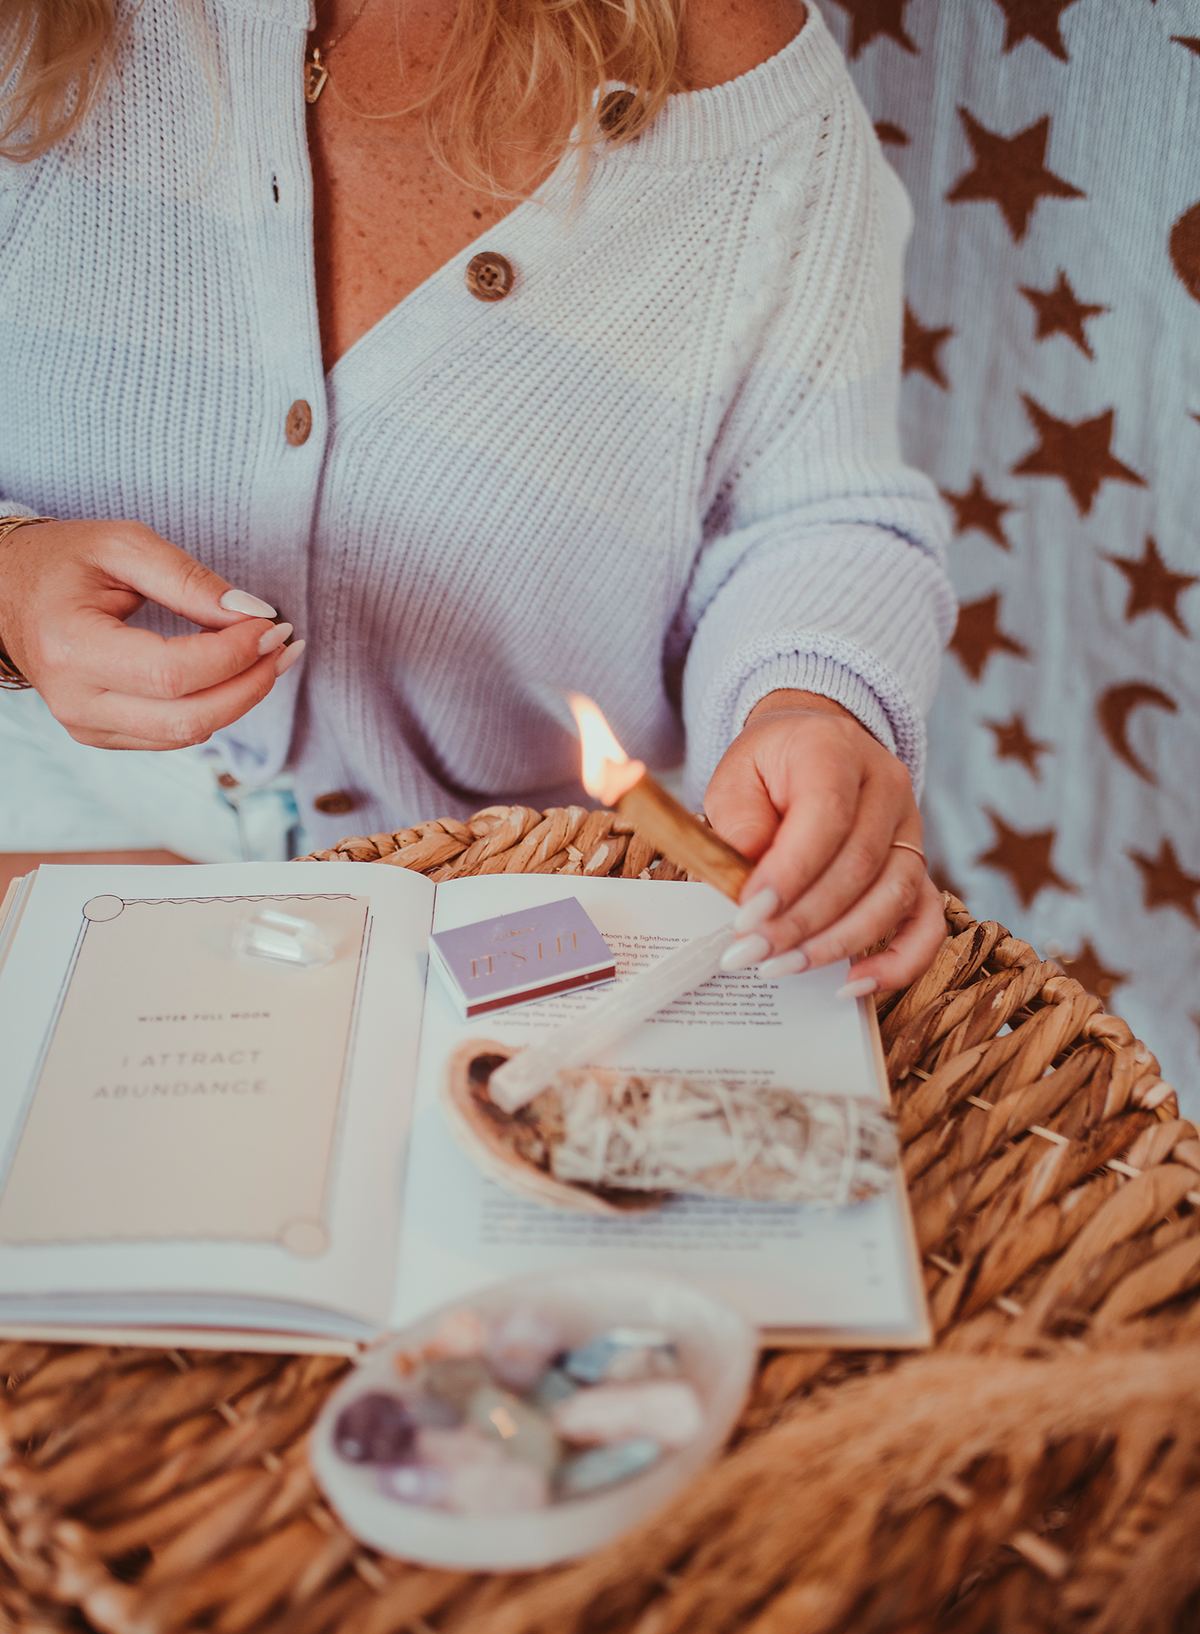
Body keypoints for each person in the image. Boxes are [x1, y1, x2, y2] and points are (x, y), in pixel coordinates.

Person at [0, 0, 955, 992]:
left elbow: (810, 519)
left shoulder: (735, 95)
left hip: (507, 918)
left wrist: (809, 704)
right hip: (61, 842)